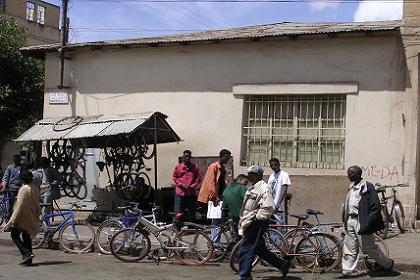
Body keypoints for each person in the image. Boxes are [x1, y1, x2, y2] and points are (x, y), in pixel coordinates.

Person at [340, 165, 394, 278]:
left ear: (358, 175)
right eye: (348, 174)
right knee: (349, 247)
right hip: (350, 220)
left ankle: (387, 264)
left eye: (351, 174)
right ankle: (348, 271)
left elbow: (376, 207)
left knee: (368, 247)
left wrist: (367, 223)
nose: (348, 176)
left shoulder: (368, 187)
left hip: (361, 221)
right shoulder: (351, 187)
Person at [238, 165, 290, 280]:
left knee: (246, 249)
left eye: (252, 174)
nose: (249, 176)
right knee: (260, 250)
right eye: (249, 174)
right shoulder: (253, 187)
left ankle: (245, 276)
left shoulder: (264, 188)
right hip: (250, 222)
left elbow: (268, 207)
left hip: (256, 223)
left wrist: (256, 219)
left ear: (259, 176)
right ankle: (283, 265)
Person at [2, 169, 41, 266]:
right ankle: (29, 258)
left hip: (23, 217)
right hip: (32, 215)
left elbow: (19, 206)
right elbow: (37, 203)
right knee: (26, 236)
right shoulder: (35, 187)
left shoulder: (23, 189)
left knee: (14, 235)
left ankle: (27, 254)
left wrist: (10, 222)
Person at [197, 149, 231, 241]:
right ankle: (214, 243)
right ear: (222, 156)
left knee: (219, 220)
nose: (227, 160)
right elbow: (210, 182)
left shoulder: (221, 167)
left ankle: (216, 241)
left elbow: (222, 182)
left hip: (220, 196)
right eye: (226, 158)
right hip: (215, 197)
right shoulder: (213, 166)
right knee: (215, 220)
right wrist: (214, 197)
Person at [172, 150, 201, 222]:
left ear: (190, 157)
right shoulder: (178, 167)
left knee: (192, 211)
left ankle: (191, 227)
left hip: (190, 193)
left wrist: (192, 186)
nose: (187, 158)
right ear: (183, 157)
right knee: (178, 211)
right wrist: (182, 185)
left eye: (189, 157)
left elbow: (198, 178)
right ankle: (177, 227)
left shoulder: (195, 168)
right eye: (186, 156)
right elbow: (175, 178)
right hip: (180, 192)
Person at [222, 174, 248, 242]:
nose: (246, 184)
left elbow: (224, 205)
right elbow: (248, 200)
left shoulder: (226, 189)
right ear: (239, 180)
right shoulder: (242, 188)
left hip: (231, 217)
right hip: (242, 217)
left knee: (235, 236)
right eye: (245, 182)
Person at [267, 158, 291, 225]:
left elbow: (284, 189)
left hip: (278, 207)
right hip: (270, 206)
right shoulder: (271, 176)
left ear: (279, 165)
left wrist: (279, 203)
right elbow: (268, 190)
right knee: (271, 226)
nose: (273, 167)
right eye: (271, 165)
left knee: (279, 226)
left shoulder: (284, 175)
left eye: (275, 165)